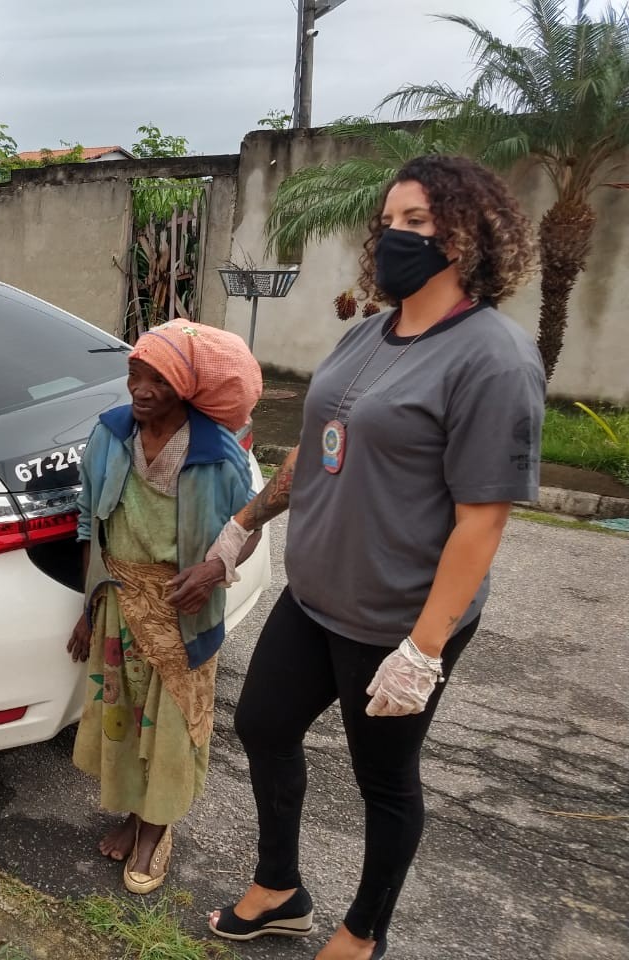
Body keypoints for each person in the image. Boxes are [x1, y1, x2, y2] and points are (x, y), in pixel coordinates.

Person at [204, 155, 544, 960]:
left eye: (418, 221)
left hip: (395, 620)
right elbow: (323, 450)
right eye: (389, 221)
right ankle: (281, 887)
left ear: (468, 235)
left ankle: (364, 933)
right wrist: (244, 525)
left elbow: (481, 522)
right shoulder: (366, 334)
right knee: (262, 725)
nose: (396, 235)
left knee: (384, 781)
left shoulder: (493, 357)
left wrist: (423, 650)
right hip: (315, 594)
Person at [68, 319, 264, 894]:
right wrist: (87, 607)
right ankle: (133, 816)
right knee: (127, 722)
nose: (142, 389)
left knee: (171, 725)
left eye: (158, 378)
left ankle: (156, 829)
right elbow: (90, 521)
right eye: (135, 374)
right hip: (119, 603)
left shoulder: (216, 451)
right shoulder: (110, 434)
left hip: (184, 610)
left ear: (184, 387)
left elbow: (246, 526)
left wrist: (215, 569)